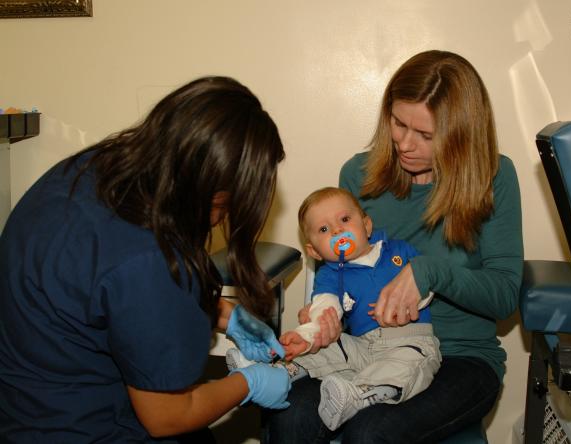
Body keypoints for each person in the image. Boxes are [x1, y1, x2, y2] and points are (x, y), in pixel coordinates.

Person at [0, 76, 293, 443]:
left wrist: (223, 312)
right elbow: (168, 416)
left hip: (21, 411)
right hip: (82, 428)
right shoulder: (149, 257)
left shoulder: (91, 170)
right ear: (208, 190)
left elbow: (103, 296)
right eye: (226, 205)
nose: (220, 218)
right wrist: (247, 383)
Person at [265, 50, 523, 443]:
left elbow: (505, 296)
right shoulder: (359, 175)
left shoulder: (494, 177)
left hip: (462, 358)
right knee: (288, 417)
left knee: (371, 433)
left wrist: (428, 272)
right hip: (368, 347)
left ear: (461, 135)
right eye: (398, 124)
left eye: (425, 135)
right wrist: (326, 312)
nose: (404, 144)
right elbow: (339, 271)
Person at [226, 186, 441, 431]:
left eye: (345, 220)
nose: (338, 230)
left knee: (405, 365)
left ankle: (358, 395)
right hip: (361, 344)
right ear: (315, 251)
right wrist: (306, 336)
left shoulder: (399, 251)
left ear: (367, 225)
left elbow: (427, 282)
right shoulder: (329, 275)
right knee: (325, 348)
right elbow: (324, 311)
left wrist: (413, 300)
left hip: (410, 341)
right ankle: (269, 372)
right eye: (324, 229)